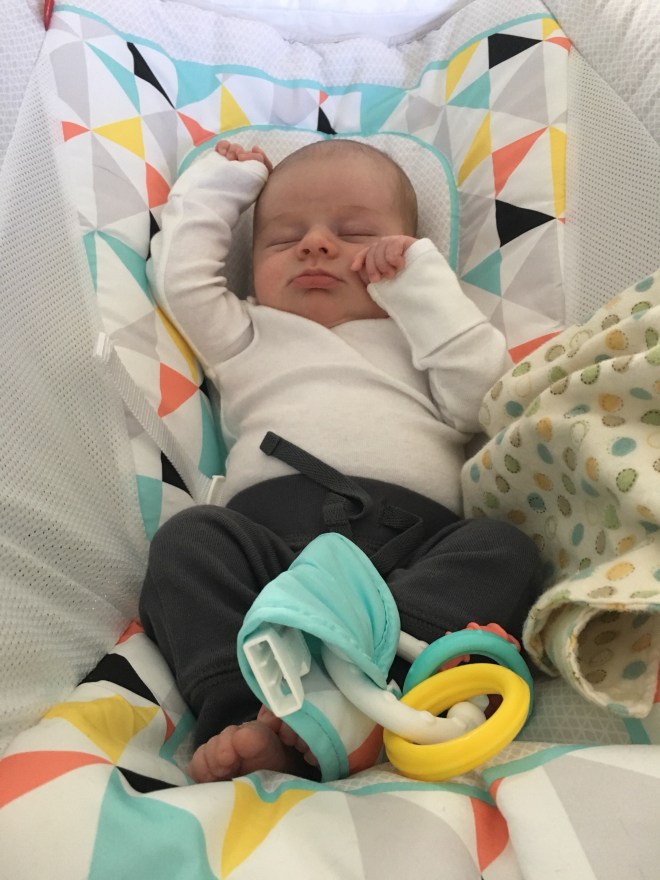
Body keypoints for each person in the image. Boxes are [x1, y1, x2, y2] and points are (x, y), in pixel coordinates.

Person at [139, 137, 542, 783]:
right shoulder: (249, 333)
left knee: (503, 547)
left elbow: (483, 399)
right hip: (273, 548)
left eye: (355, 234)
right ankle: (249, 713)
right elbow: (180, 280)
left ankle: (385, 686)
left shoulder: (421, 339)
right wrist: (225, 183)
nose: (316, 245)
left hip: (412, 557)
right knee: (190, 541)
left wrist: (420, 289)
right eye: (283, 238)